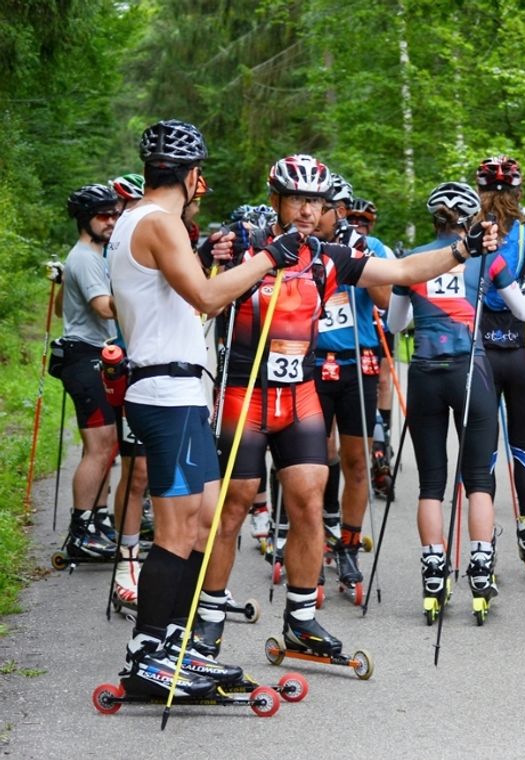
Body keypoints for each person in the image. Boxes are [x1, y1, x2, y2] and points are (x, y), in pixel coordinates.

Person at [193, 154, 499, 658]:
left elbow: (402, 270)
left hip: (301, 395)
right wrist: (222, 251)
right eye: (297, 199)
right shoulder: (248, 243)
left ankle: (302, 619)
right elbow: (204, 292)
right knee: (234, 505)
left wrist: (461, 249)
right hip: (245, 392)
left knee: (310, 503)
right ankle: (207, 619)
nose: (307, 211)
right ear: (277, 201)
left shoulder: (327, 256)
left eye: (315, 201)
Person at [106, 120, 281, 695]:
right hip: (166, 393)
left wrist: (207, 253)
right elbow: (206, 297)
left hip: (183, 392)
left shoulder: (154, 223)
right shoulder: (157, 221)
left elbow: (180, 296)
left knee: (204, 521)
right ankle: (148, 652)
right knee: (178, 531)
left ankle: (177, 643)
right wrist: (267, 260)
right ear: (190, 174)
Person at [386, 181, 525, 616]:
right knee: (478, 479)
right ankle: (481, 569)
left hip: (426, 374)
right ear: (470, 221)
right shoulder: (486, 258)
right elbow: (524, 312)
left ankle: (434, 571)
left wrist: (419, 303)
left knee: (432, 481)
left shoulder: (412, 260)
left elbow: (396, 325)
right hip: (472, 373)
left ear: (434, 219)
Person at [311, 173, 390, 595]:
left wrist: (358, 256)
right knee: (313, 460)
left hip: (357, 363)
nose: (329, 216)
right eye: (326, 208)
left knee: (357, 461)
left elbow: (387, 301)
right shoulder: (303, 245)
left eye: (334, 209)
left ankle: (349, 545)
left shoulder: (368, 245)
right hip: (311, 362)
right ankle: (309, 536)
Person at [473, 156, 525, 574]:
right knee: (523, 437)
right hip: (522, 349)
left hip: (481, 352)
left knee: (482, 446)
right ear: (518, 194)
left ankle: (483, 541)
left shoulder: (470, 236)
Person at [57, 184, 125, 564]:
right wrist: (141, 295)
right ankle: (80, 531)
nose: (111, 221)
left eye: (114, 214)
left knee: (106, 446)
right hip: (85, 359)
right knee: (99, 448)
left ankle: (98, 522)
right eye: (104, 215)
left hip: (98, 356)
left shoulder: (96, 255)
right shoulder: (83, 257)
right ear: (86, 219)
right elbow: (103, 308)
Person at [346, 197, 398, 497]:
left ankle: (383, 438)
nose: (358, 226)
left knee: (382, 378)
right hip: (348, 324)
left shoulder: (379, 246)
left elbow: (392, 284)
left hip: (377, 321)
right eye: (354, 220)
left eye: (363, 222)